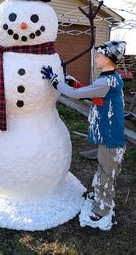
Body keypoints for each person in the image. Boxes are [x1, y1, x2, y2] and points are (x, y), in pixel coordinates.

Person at [41, 40, 126, 223]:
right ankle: (98, 199)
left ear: (109, 58)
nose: (95, 58)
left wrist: (56, 81)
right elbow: (86, 90)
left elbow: (74, 93)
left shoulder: (108, 82)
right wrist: (67, 76)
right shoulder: (107, 79)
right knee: (103, 169)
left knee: (107, 173)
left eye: (99, 56)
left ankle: (101, 210)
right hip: (108, 135)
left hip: (112, 138)